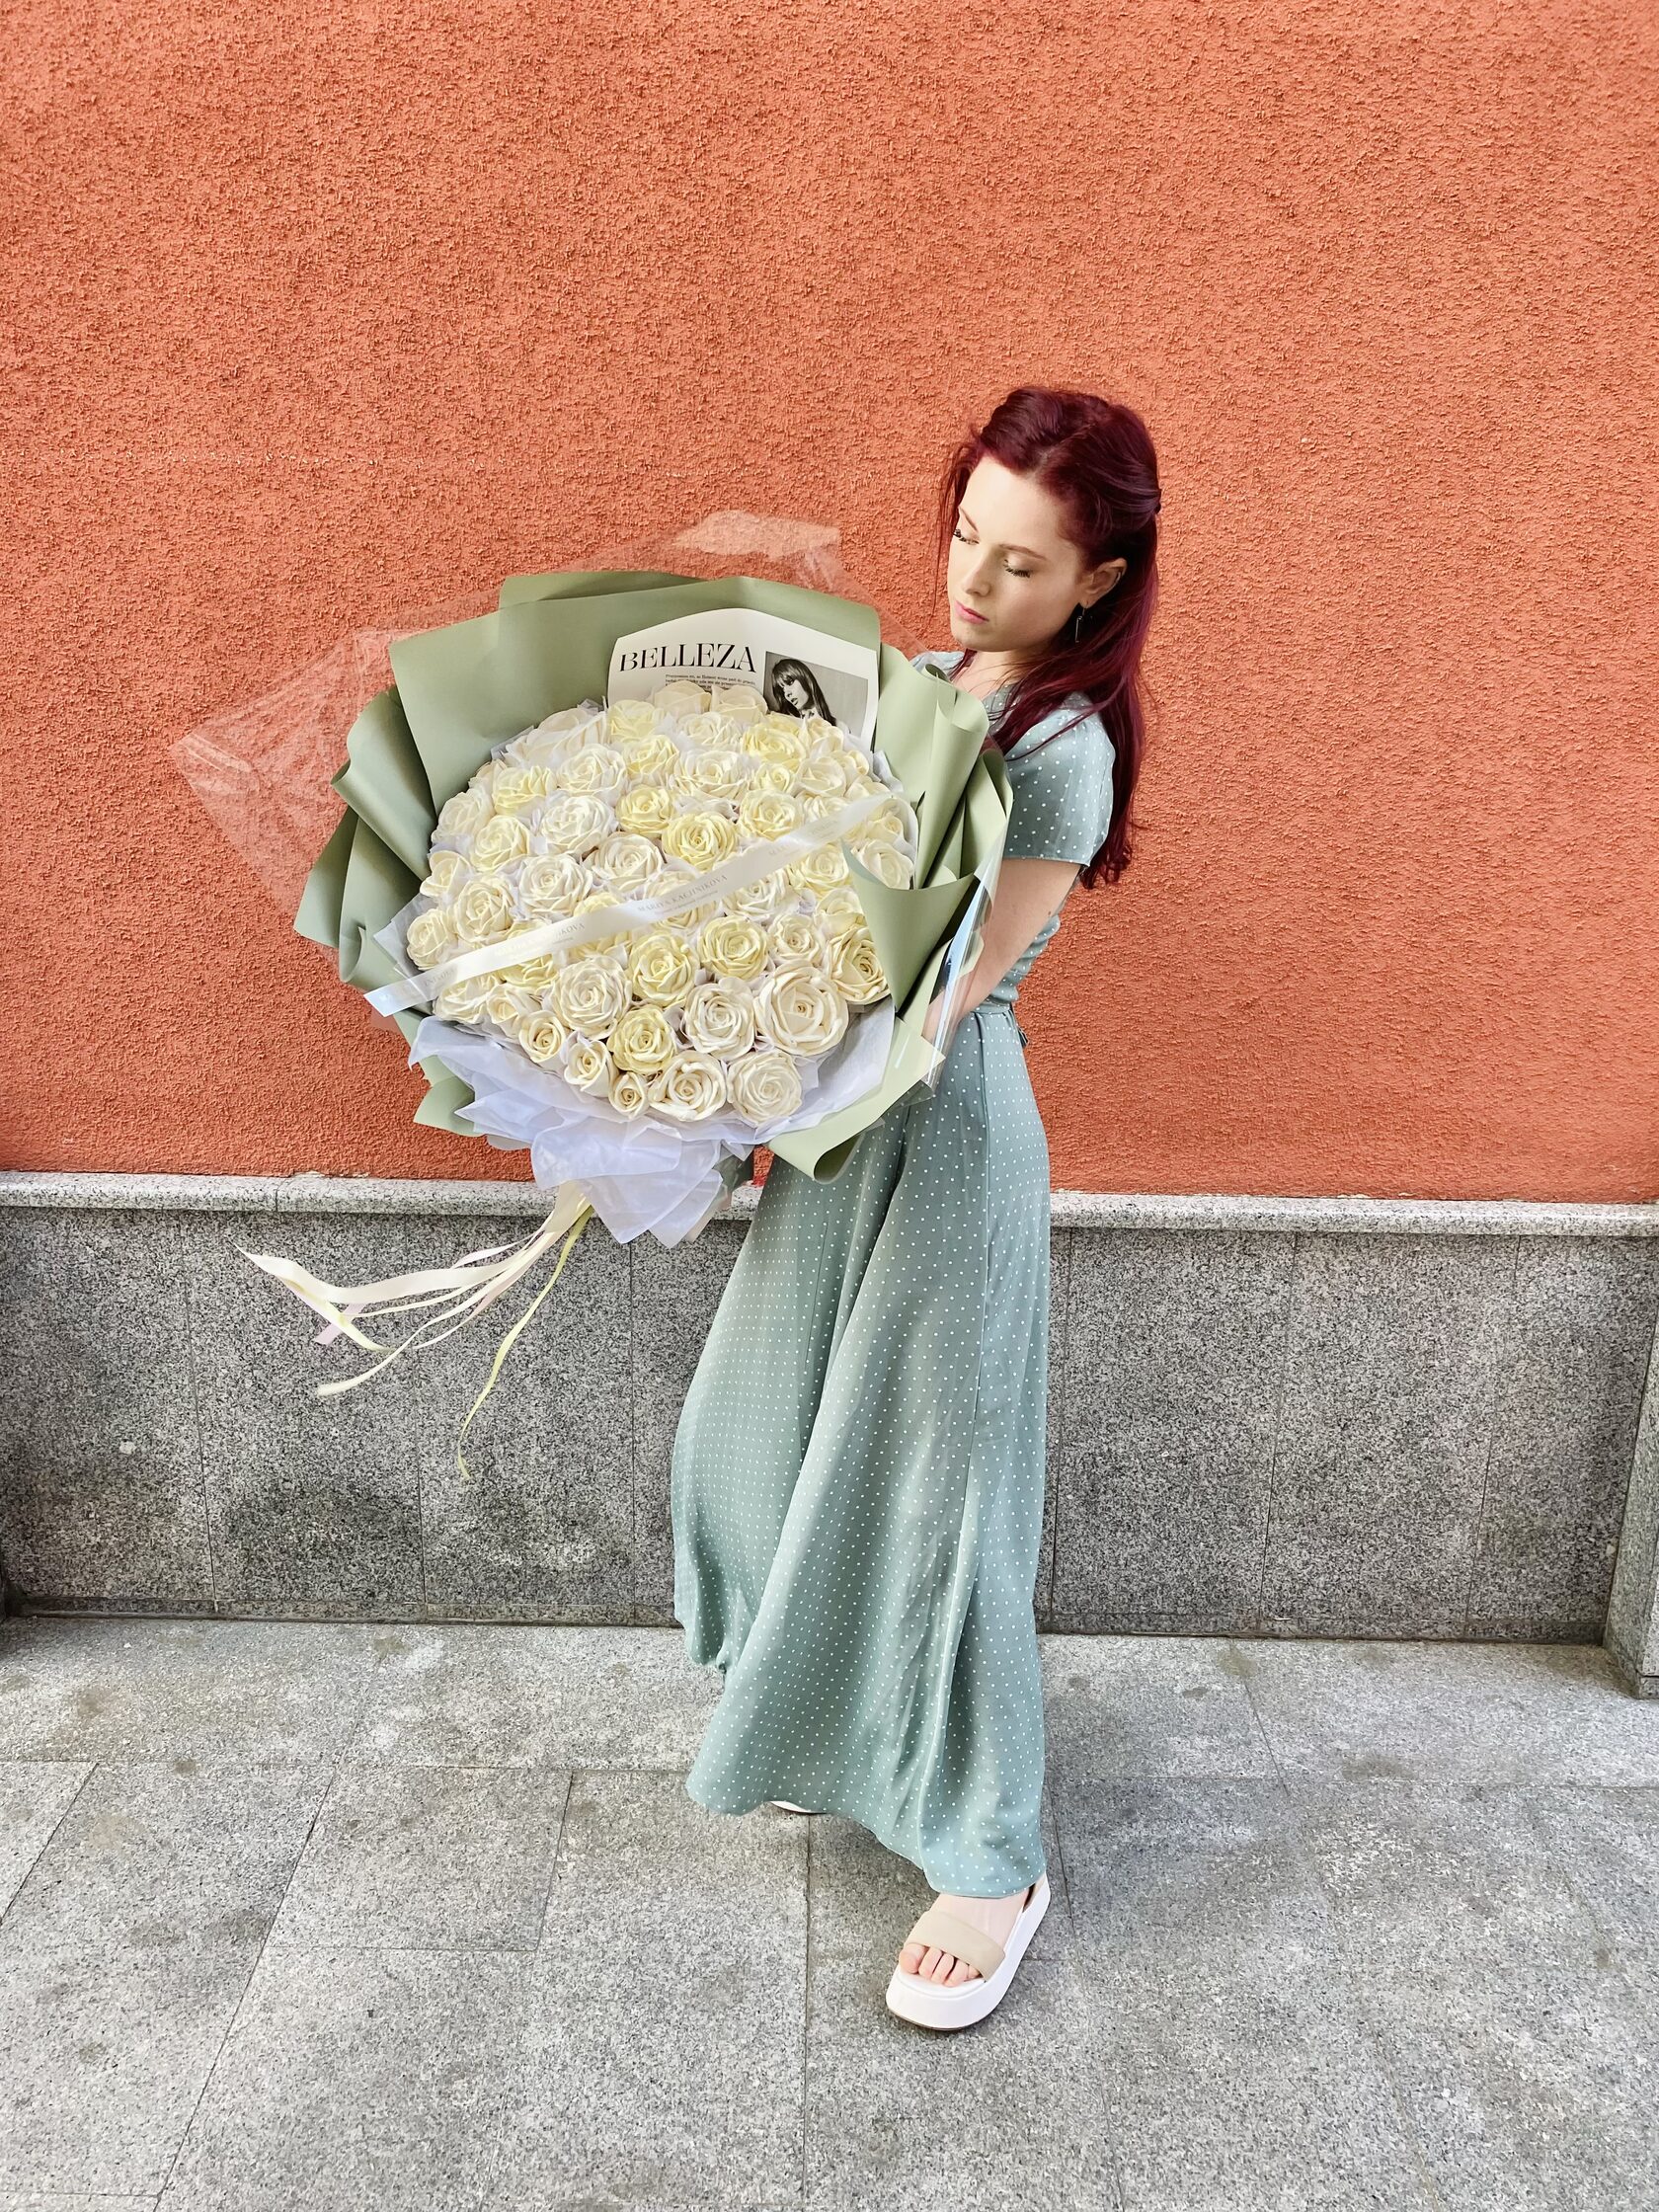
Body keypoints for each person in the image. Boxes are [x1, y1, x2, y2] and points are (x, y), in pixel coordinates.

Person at [671, 385, 1161, 2029]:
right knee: (754, 1440)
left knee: (937, 1500)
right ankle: (833, 1719)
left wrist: (757, 1051)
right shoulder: (923, 676)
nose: (975, 579)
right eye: (966, 535)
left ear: (1098, 580)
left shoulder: (1063, 751)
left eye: (1022, 564)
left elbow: (947, 994)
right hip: (837, 1113)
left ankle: (994, 1861)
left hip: (936, 1124)